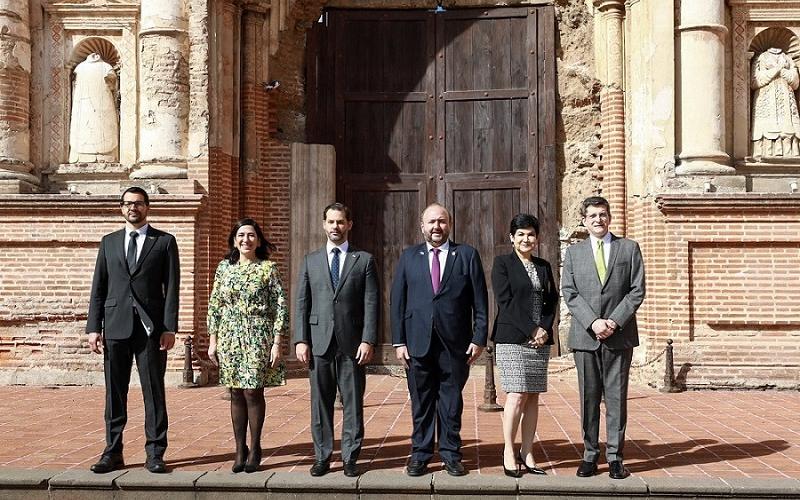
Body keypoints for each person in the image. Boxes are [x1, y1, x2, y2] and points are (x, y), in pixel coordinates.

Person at [86, 186, 180, 474]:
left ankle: (155, 452)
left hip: (151, 329)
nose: (133, 208)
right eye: (127, 204)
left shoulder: (164, 242)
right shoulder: (109, 242)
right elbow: (98, 288)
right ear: (121, 208)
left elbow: (172, 288)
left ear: (147, 207)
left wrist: (169, 327)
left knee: (154, 391)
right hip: (115, 326)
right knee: (115, 393)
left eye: (138, 203)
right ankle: (112, 451)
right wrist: (93, 328)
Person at [390, 203, 488, 477]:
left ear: (450, 224)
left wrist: (479, 337)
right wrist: (399, 341)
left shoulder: (466, 255)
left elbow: (480, 300)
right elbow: (397, 301)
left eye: (442, 222)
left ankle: (450, 454)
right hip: (417, 343)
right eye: (431, 222)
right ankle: (420, 454)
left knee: (451, 402)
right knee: (421, 401)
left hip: (455, 344)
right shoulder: (409, 257)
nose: (436, 227)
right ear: (422, 226)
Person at [561, 196, 645, 479]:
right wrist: (593, 322)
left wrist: (614, 321)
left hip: (618, 337)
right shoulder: (574, 254)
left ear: (610, 217)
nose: (599, 219)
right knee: (588, 398)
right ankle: (589, 455)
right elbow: (570, 292)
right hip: (585, 337)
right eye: (593, 215)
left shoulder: (629, 248)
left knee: (616, 398)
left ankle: (615, 457)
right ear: (584, 221)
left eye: (603, 214)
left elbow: (636, 290)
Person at [294, 202, 379, 477]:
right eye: (331, 222)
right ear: (323, 224)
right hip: (318, 343)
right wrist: (300, 340)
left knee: (353, 402)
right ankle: (322, 456)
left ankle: (350, 457)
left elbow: (371, 302)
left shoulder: (363, 260)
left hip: (352, 344)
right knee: (320, 403)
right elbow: (302, 303)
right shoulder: (310, 260)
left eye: (340, 222)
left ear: (349, 225)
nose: (335, 227)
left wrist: (368, 339)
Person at [207, 218, 287, 473]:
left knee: (253, 390)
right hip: (230, 334)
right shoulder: (224, 268)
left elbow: (280, 305)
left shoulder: (268, 269)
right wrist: (213, 340)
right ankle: (239, 448)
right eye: (241, 235)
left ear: (259, 240)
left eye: (251, 235)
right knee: (235, 391)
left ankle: (256, 446)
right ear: (234, 240)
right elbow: (215, 304)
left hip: (258, 333)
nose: (246, 240)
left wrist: (277, 342)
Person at [490, 213, 557, 478]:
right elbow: (505, 302)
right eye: (520, 234)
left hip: (539, 341)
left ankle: (528, 452)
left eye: (530, 234)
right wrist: (532, 329)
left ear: (537, 238)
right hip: (512, 338)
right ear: (512, 238)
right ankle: (509, 450)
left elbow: (551, 300)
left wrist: (544, 328)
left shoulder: (543, 265)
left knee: (532, 397)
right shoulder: (502, 263)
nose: (526, 238)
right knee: (516, 395)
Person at [69, 53, 119, 163]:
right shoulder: (80, 67)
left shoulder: (106, 66)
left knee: (103, 124)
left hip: (103, 102)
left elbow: (113, 83)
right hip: (83, 104)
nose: (95, 54)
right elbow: (74, 84)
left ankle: (107, 155)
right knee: (84, 124)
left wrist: (111, 82)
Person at [751, 47, 800, 157]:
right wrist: (777, 69)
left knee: (788, 129)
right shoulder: (761, 57)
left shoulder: (788, 58)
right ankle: (765, 153)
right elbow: (755, 81)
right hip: (766, 100)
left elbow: (796, 82)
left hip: (786, 98)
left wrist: (781, 70)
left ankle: (789, 153)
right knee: (766, 130)